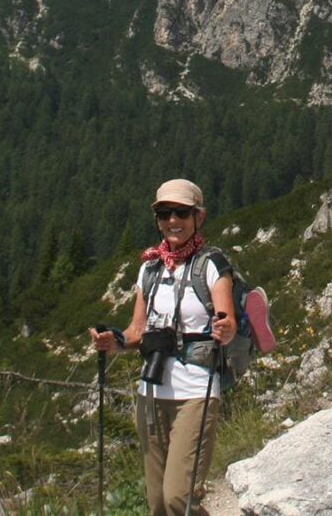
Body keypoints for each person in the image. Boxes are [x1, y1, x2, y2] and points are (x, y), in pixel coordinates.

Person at [90, 179, 236, 516]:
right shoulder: (150, 268)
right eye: (164, 213)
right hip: (151, 393)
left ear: (199, 216)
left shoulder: (212, 264)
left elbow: (227, 320)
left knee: (177, 499)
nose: (172, 220)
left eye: (181, 212)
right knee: (157, 504)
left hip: (197, 391)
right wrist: (113, 341)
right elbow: (137, 330)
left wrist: (225, 328)